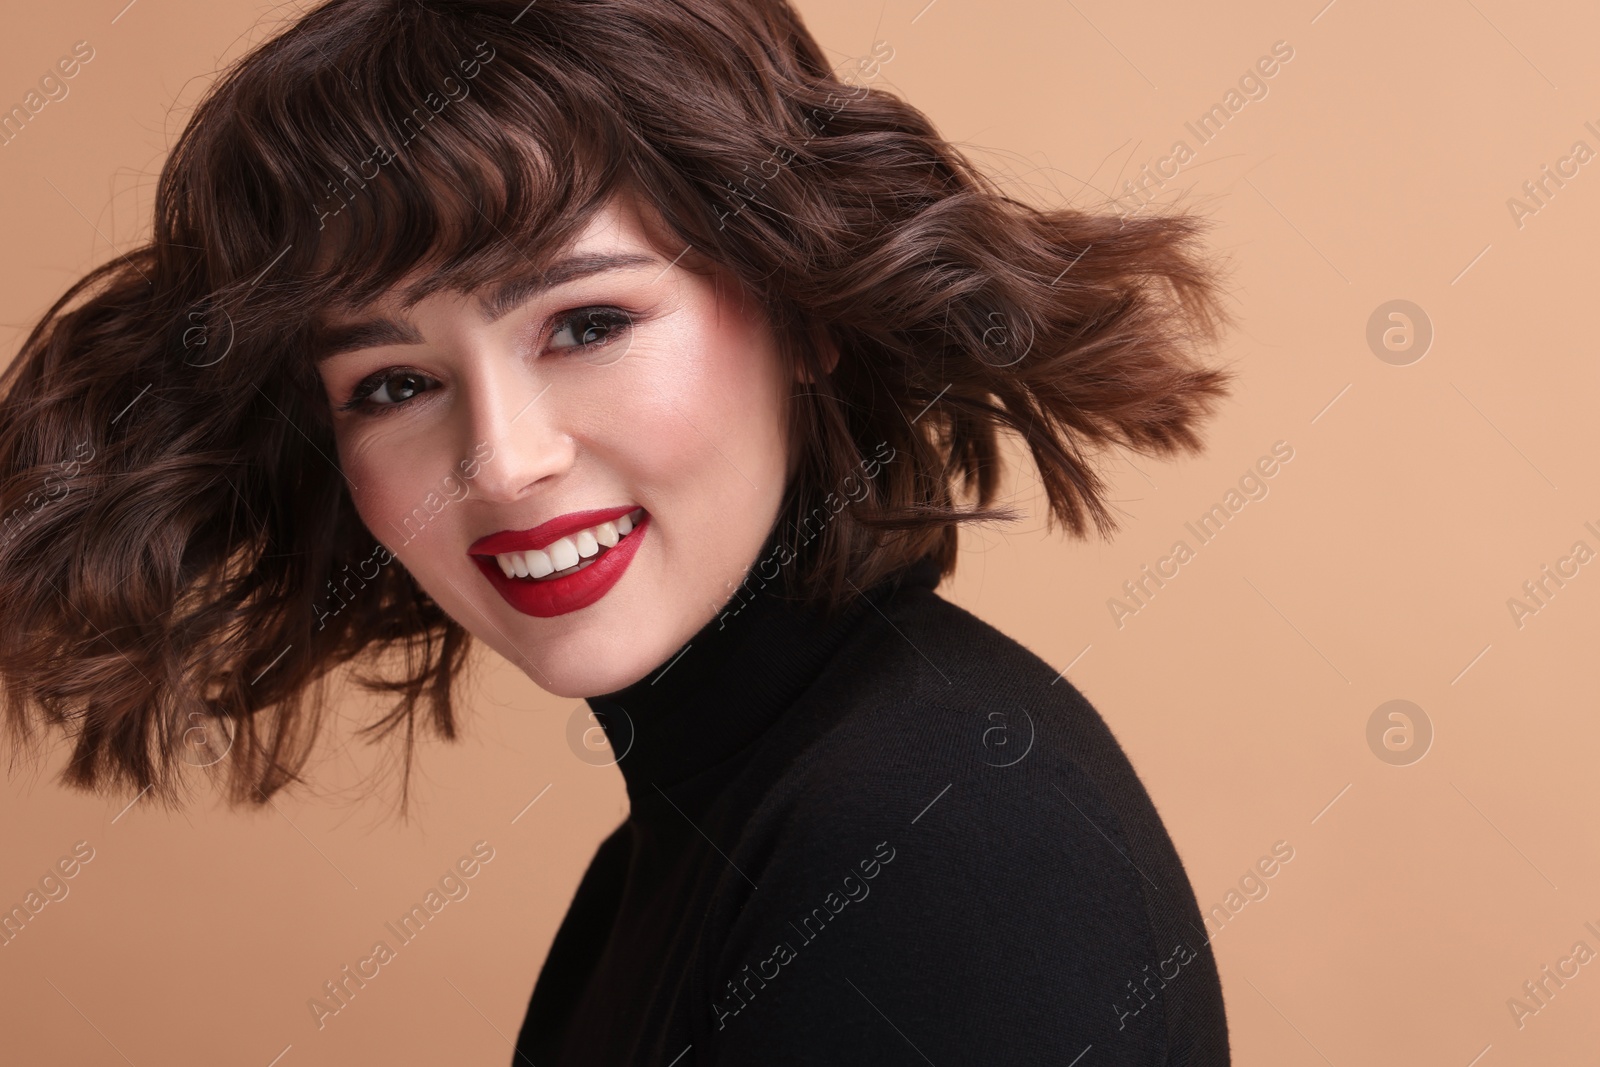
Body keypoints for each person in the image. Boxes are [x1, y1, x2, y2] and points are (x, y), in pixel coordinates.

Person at [0, 0, 1235, 1062]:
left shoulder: (941, 841)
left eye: (584, 323)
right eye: (392, 383)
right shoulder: (694, 846)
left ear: (804, 308)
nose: (498, 461)